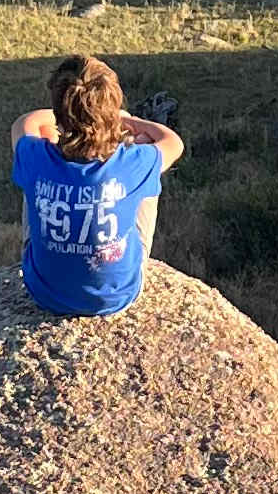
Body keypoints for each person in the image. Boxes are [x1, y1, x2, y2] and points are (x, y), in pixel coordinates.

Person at [10, 53, 183, 318]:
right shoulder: (132, 162)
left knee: (31, 163)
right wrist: (125, 119)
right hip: (118, 296)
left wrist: (67, 112)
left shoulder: (36, 157)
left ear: (59, 109)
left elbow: (27, 122)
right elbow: (172, 142)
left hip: (45, 293)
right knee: (148, 160)